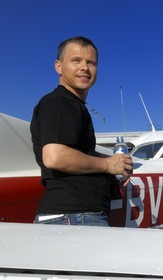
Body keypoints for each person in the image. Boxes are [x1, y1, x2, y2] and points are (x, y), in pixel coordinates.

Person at [30, 36, 133, 226]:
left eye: (91, 62)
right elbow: (55, 156)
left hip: (77, 216)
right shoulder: (60, 102)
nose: (84, 67)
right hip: (75, 216)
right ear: (58, 66)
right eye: (76, 60)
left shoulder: (72, 105)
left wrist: (113, 170)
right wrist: (108, 165)